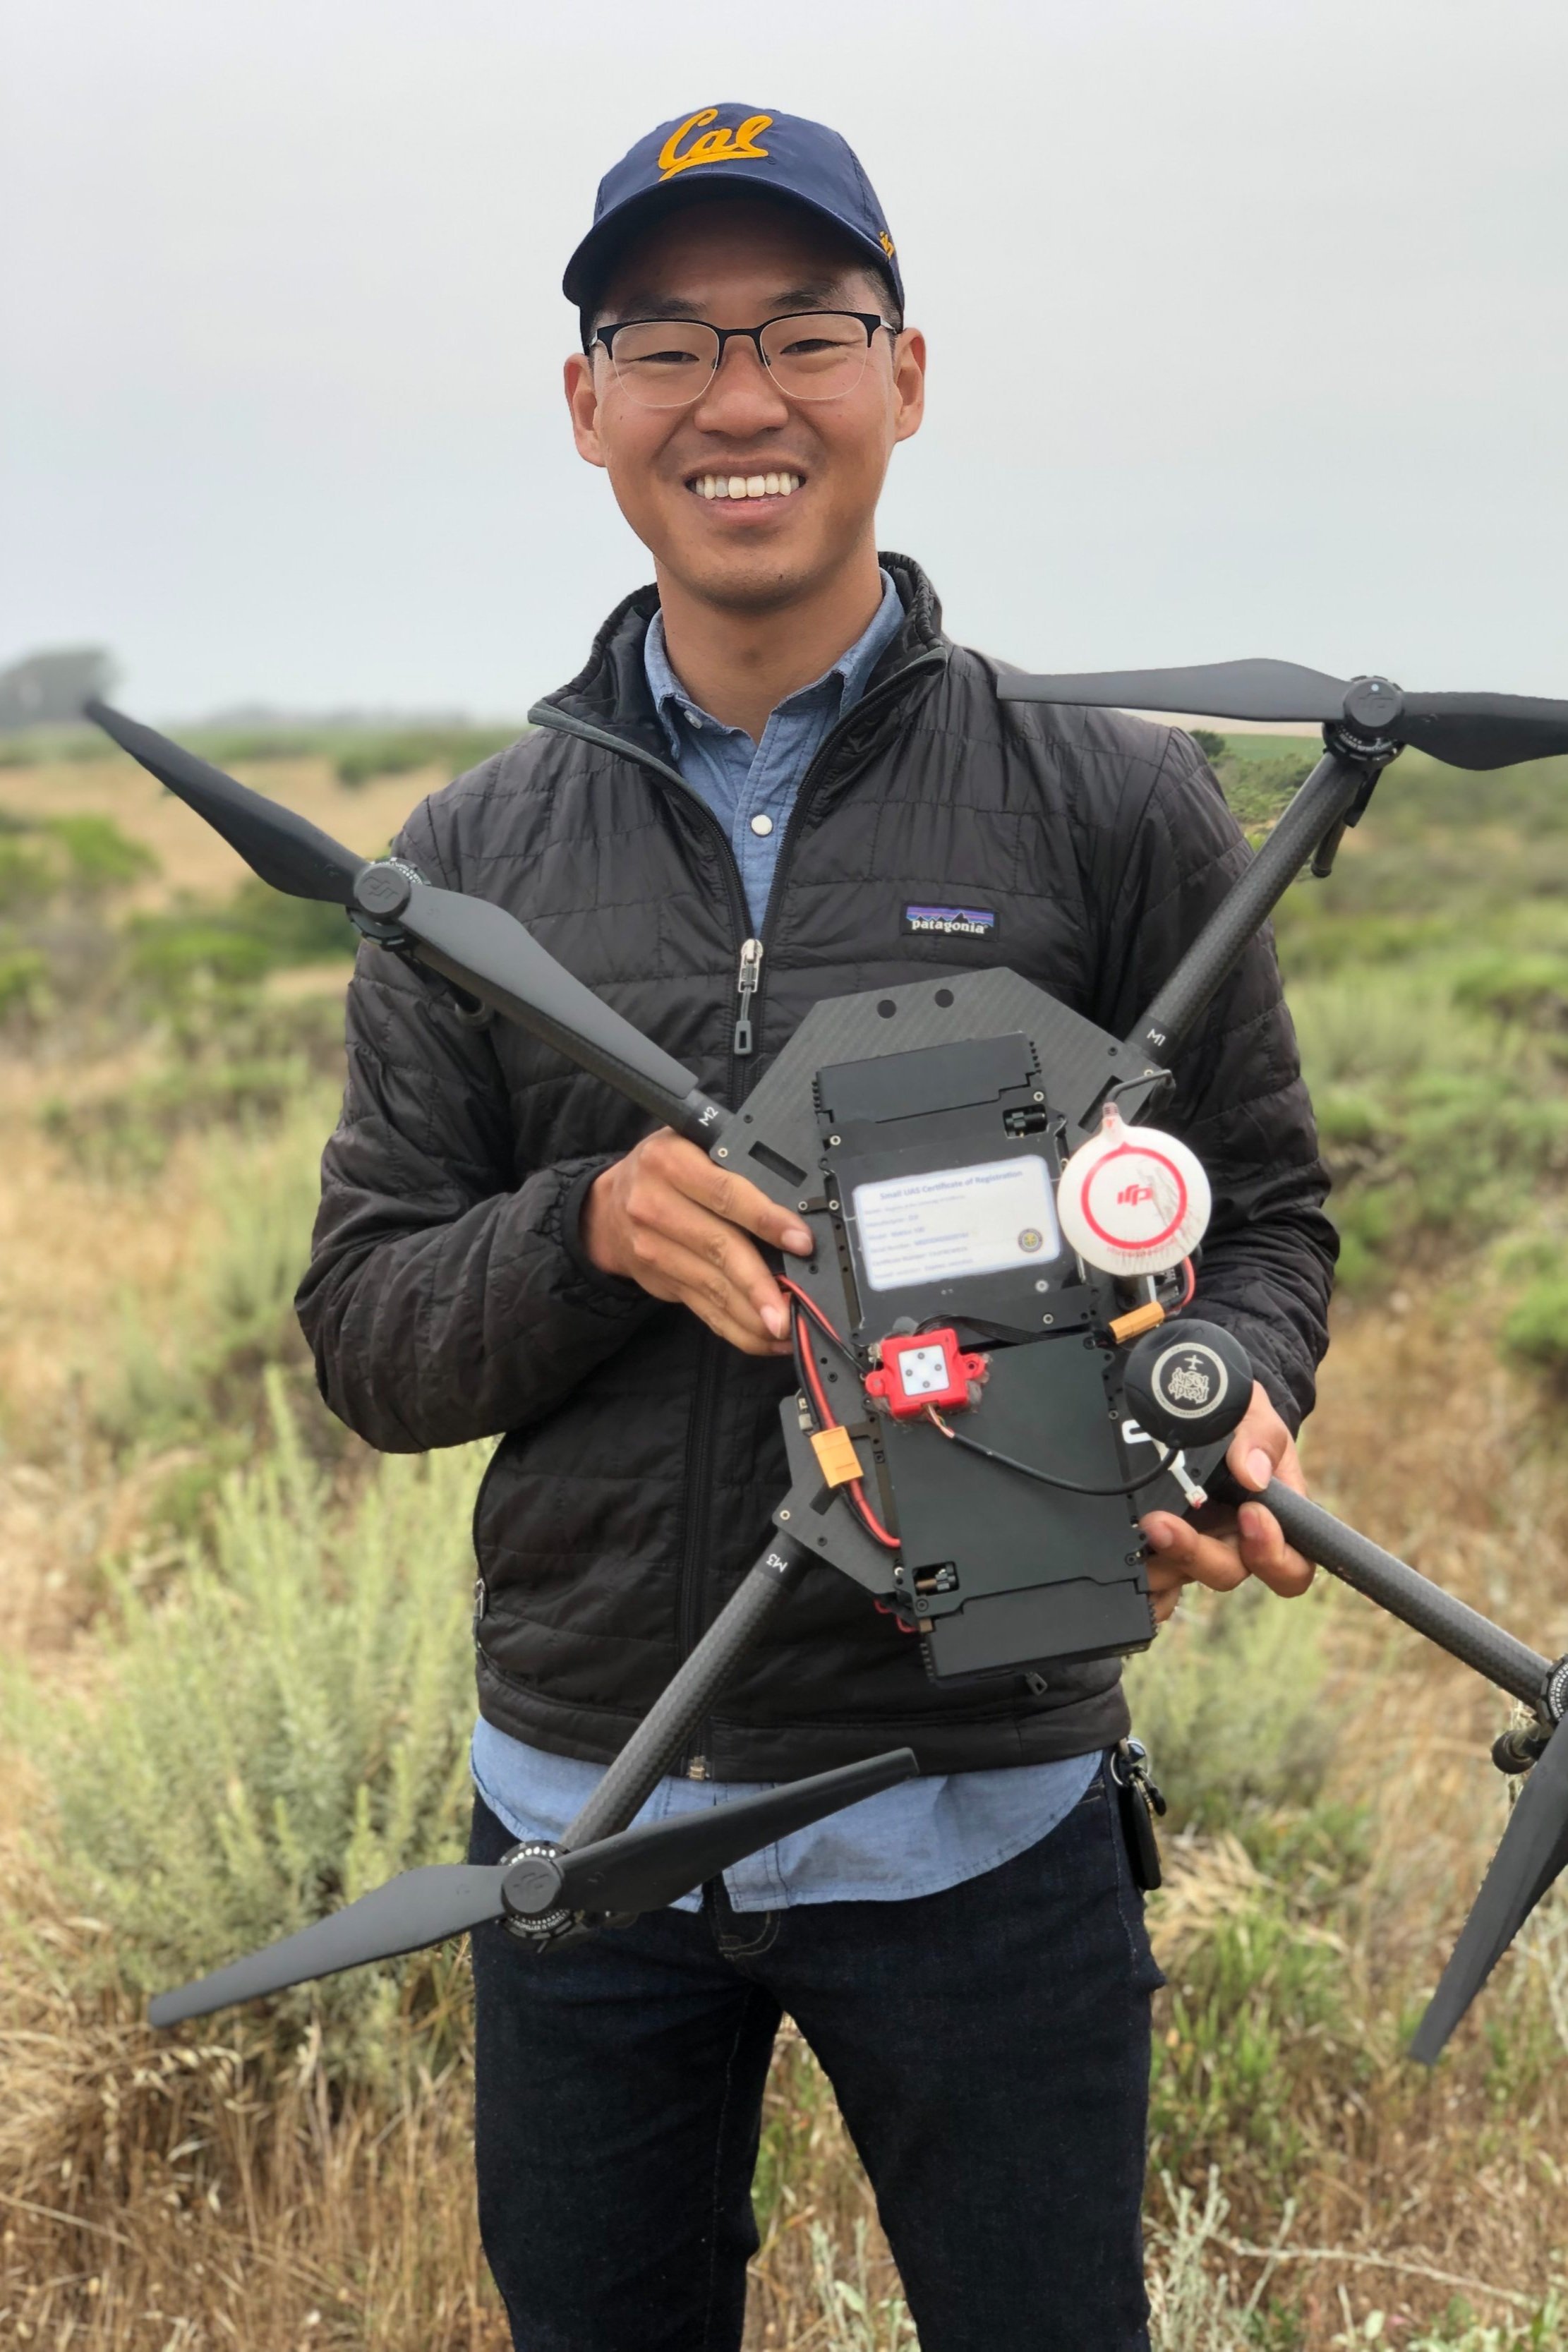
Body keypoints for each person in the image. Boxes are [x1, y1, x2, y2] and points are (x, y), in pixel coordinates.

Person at [297, 103, 1335, 2352]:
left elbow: (1263, 1224)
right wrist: (588, 1231)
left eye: (802, 332)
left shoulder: (1111, 802)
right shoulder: (468, 862)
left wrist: (1211, 1406)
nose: (737, 398)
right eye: (667, 342)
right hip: (585, 1812)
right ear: (587, 403)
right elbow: (367, 1330)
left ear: (906, 375)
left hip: (987, 1808)